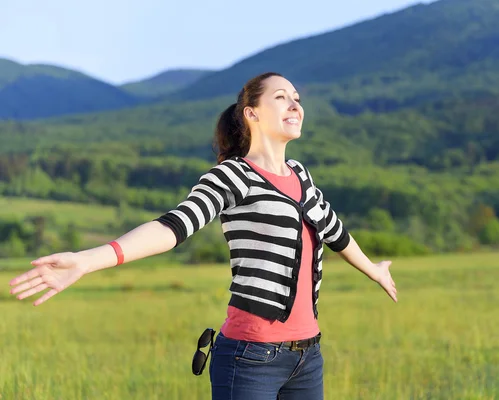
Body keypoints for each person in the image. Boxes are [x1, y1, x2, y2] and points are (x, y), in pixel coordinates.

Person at [8, 72, 397, 400]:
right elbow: (174, 225)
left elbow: (333, 228)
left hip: (307, 357)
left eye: (297, 98)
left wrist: (373, 269)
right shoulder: (233, 176)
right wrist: (90, 259)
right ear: (252, 113)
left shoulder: (300, 174)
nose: (295, 104)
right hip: (251, 357)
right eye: (281, 97)